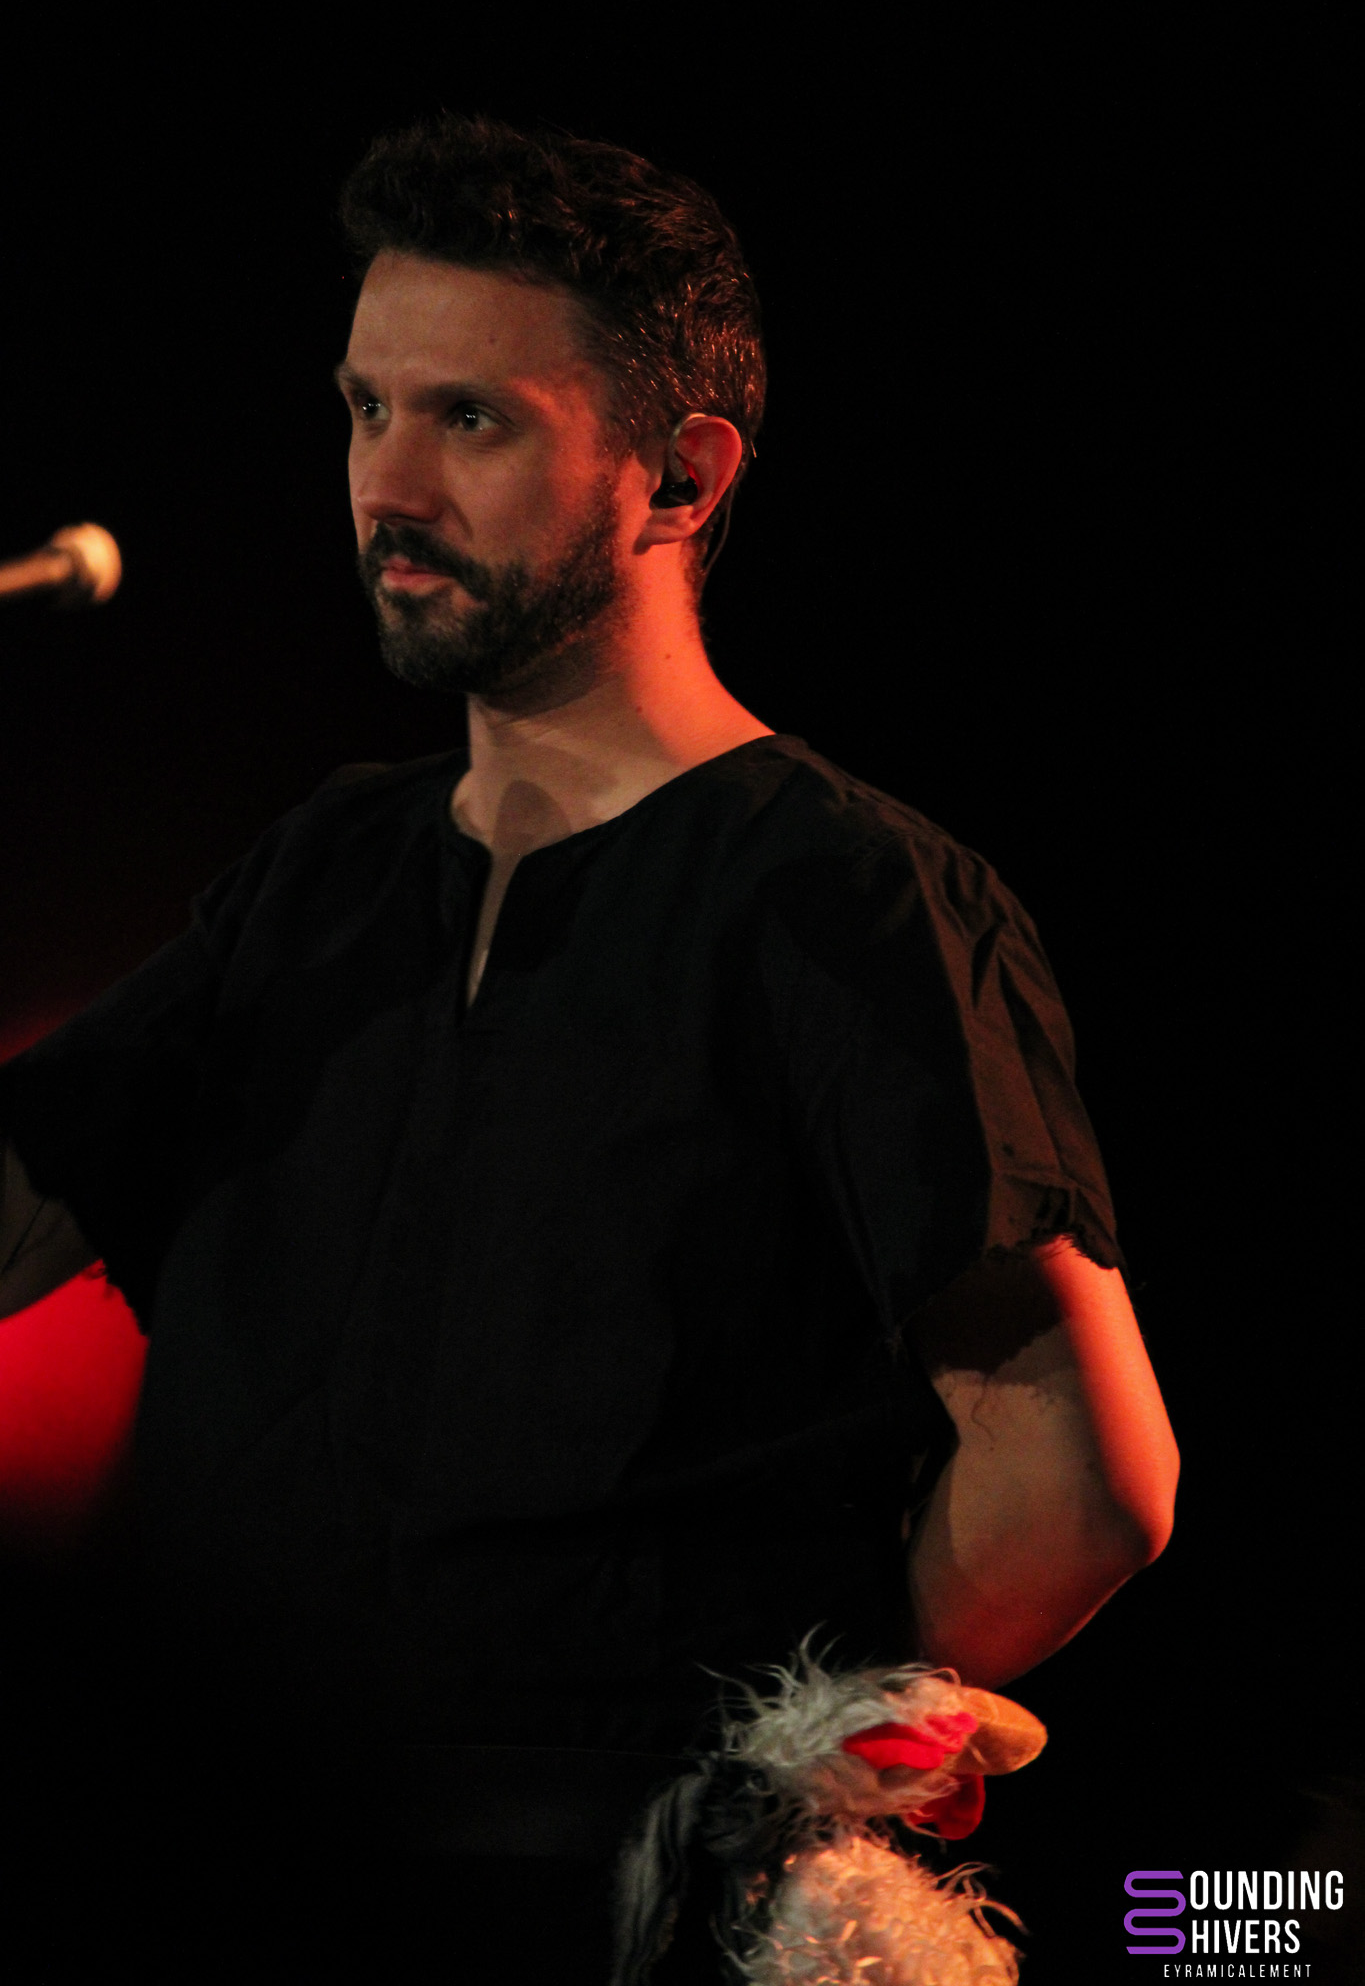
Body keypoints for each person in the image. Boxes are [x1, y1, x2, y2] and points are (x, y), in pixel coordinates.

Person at [0, 115, 1178, 1980]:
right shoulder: (325, 872)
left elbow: (1081, 1483)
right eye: (366, 409)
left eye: (471, 419)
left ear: (679, 478)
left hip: (606, 1916)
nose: (388, 484)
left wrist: (759, 1765)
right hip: (224, 1879)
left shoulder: (846, 896)